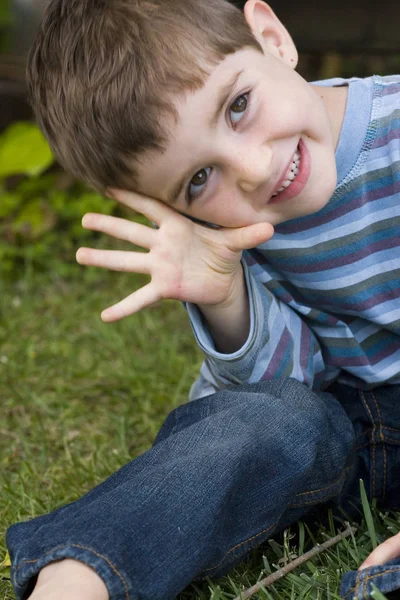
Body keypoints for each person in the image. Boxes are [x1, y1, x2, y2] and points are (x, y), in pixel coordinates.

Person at [6, 0, 400, 598]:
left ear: (272, 39)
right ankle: (78, 576)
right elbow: (287, 392)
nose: (252, 168)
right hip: (353, 436)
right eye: (198, 179)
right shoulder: (224, 235)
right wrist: (226, 296)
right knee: (272, 421)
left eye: (238, 106)